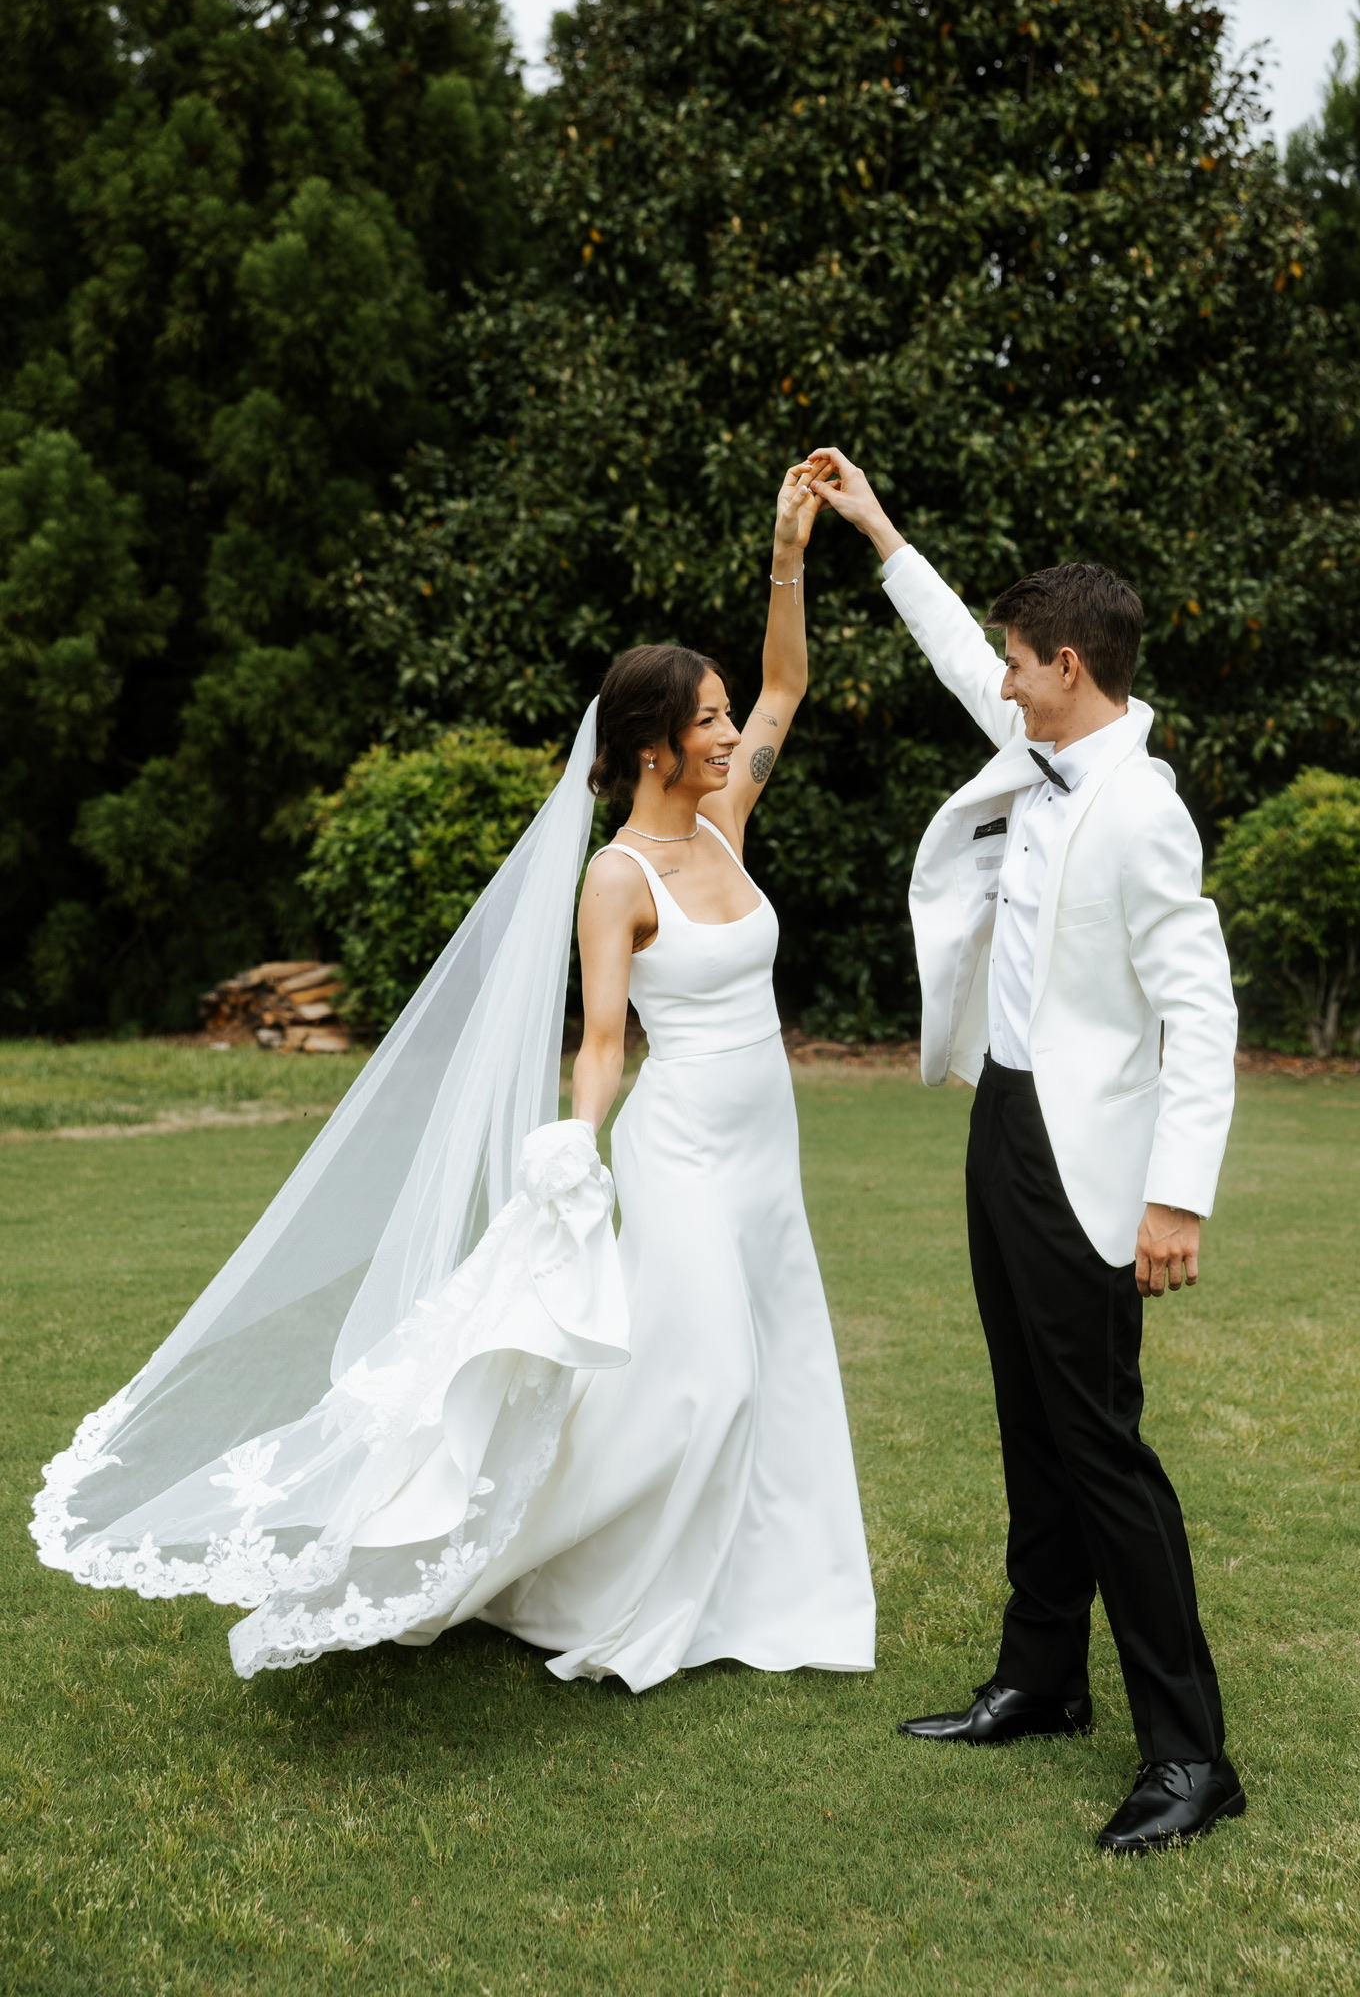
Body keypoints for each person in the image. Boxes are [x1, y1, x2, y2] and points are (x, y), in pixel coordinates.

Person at [33, 465, 875, 1693]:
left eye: (726, 714)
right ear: (652, 746)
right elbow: (599, 1042)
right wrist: (575, 1150)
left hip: (767, 1149)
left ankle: (762, 1587)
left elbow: (793, 680)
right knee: (710, 1381)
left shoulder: (726, 825)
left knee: (774, 1359)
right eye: (709, 718)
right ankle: (584, 1584)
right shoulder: (617, 880)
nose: (732, 729)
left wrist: (788, 547)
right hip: (682, 1145)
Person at [808, 449, 1243, 1856]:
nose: (996, 678)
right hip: (1002, 1121)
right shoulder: (1036, 754)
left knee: (1102, 1447)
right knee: (1026, 1421)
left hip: (1093, 1162)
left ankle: (1192, 1757)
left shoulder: (1144, 806)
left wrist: (1175, 1197)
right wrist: (874, 532)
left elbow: (1203, 1008)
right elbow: (947, 643)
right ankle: (1041, 1679)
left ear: (1066, 664)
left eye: (1015, 661)